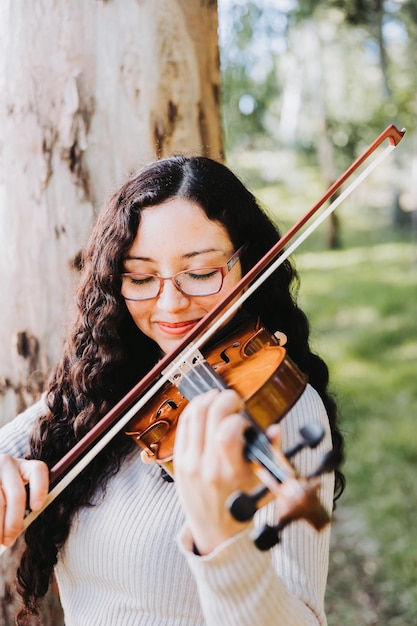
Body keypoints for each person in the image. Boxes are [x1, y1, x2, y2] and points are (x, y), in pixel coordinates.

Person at [0, 155, 345, 626]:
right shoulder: (106, 383)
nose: (170, 303)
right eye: (140, 278)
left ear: (248, 264)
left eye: (201, 273)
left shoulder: (284, 410)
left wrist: (224, 544)